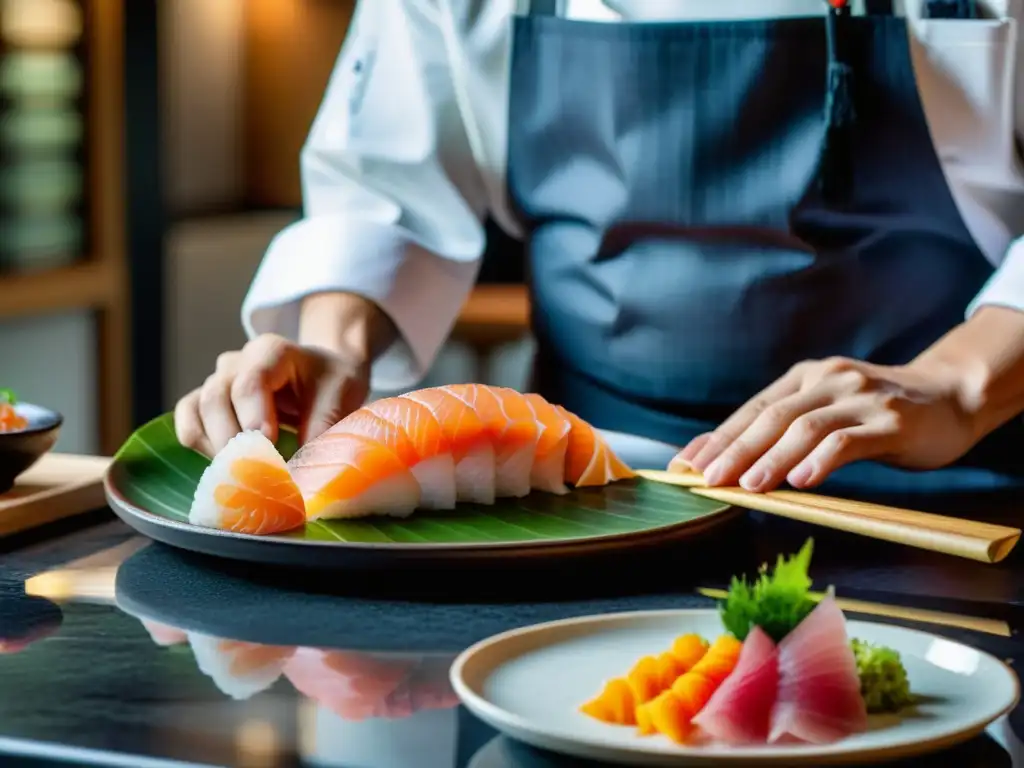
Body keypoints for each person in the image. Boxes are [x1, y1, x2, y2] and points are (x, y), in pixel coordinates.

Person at [176, 0, 1024, 500]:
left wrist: (952, 383)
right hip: (585, 495)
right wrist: (331, 344)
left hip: (945, 492)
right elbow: (385, 185)